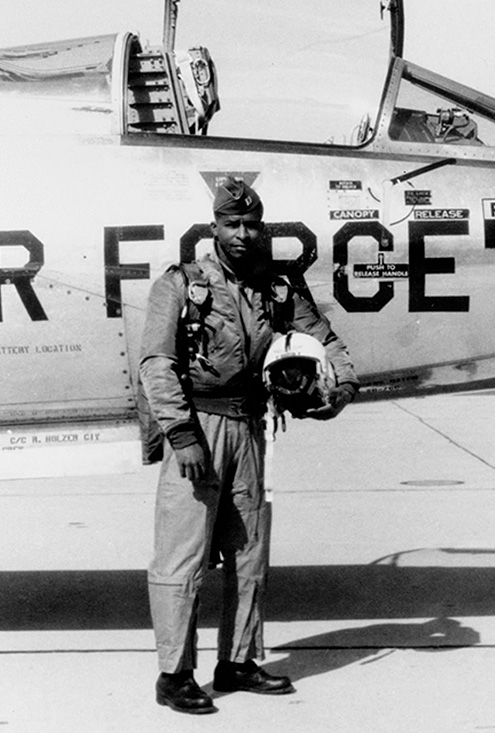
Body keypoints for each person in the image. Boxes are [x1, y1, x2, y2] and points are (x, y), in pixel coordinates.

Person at [139, 178, 359, 715]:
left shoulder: (276, 287)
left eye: (251, 224)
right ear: (214, 228)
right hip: (200, 427)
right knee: (182, 557)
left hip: (249, 428)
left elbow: (325, 339)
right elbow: (156, 365)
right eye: (232, 224)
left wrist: (345, 385)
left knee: (248, 551)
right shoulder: (182, 285)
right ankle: (174, 674)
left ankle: (237, 662)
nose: (243, 234)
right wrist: (182, 435)